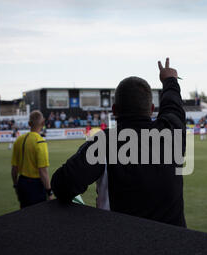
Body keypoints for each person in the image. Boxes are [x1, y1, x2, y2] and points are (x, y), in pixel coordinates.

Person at [51, 57, 186, 227]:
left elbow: (62, 185)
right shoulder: (171, 132)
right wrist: (170, 80)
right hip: (175, 247)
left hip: (122, 246)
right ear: (151, 109)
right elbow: (173, 106)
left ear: (114, 110)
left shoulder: (104, 143)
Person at [11, 110, 53, 208]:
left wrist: (16, 185)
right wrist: (49, 192)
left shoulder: (18, 140)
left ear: (29, 123)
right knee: (38, 218)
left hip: (22, 183)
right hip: (35, 186)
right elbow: (43, 171)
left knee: (25, 217)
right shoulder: (40, 142)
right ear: (43, 123)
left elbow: (14, 169)